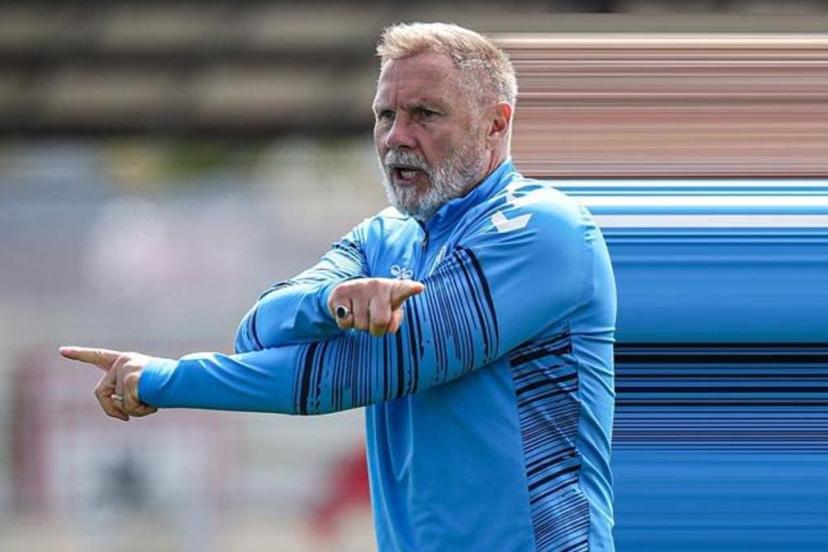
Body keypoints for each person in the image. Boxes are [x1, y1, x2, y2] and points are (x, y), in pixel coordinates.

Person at [61, 22, 617, 552]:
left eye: (425, 114)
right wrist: (331, 302)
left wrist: (165, 379)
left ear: (496, 123)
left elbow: (373, 367)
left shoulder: (546, 230)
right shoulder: (385, 235)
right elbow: (259, 330)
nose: (397, 137)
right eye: (385, 115)